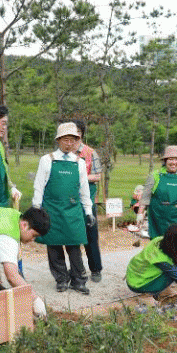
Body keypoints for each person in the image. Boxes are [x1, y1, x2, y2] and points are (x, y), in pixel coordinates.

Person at [33, 122, 94, 295]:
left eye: (73, 140)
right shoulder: (47, 160)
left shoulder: (79, 163)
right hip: (51, 210)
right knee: (54, 247)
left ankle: (78, 280)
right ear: (58, 140)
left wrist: (88, 211)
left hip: (73, 211)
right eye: (66, 139)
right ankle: (61, 279)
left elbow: (84, 190)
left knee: (74, 247)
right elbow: (39, 186)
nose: (69, 143)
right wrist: (36, 209)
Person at [73, 119, 103, 283]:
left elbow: (97, 176)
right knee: (72, 238)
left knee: (90, 236)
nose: (74, 135)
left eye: (77, 131)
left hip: (87, 201)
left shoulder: (90, 153)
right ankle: (77, 270)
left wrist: (79, 177)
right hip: (68, 202)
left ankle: (96, 269)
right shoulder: (62, 153)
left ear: (82, 134)